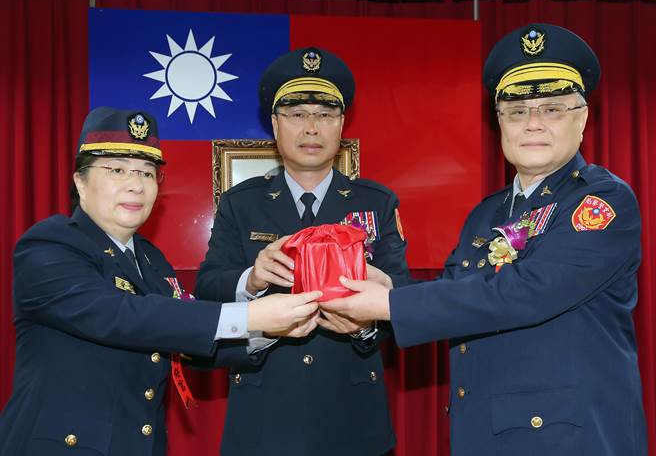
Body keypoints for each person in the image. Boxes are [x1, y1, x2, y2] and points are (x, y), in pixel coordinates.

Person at [324, 24, 647, 455]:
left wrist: (390, 304)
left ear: (582, 118)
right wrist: (385, 292)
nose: (533, 124)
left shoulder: (602, 201)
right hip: (484, 435)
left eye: (552, 109)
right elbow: (458, 292)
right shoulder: (487, 213)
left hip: (568, 439)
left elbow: (528, 292)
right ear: (499, 123)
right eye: (516, 111)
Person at [0, 107, 321, 456]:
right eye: (117, 170)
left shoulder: (152, 260)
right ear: (80, 181)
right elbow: (120, 315)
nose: (136, 185)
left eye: (147, 173)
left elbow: (184, 339)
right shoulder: (50, 243)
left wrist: (270, 331)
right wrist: (250, 316)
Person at [195, 47, 410, 456]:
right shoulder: (241, 203)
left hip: (352, 416)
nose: (311, 127)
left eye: (325, 114)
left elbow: (404, 294)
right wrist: (251, 280)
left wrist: (365, 325)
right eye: (296, 114)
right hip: (264, 416)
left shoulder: (376, 202)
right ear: (275, 125)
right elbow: (207, 287)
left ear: (341, 125)